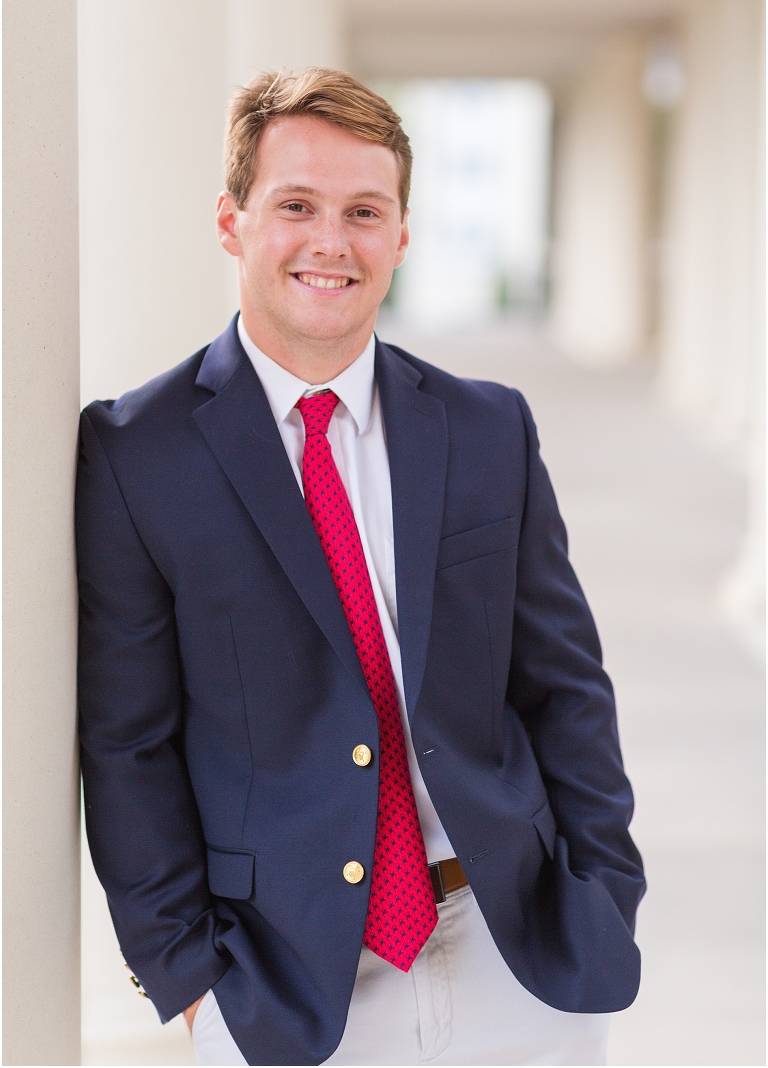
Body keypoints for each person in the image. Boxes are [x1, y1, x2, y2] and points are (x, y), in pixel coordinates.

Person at [77, 68, 645, 1067]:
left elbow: (564, 685)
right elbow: (129, 746)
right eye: (295, 205)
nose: (330, 241)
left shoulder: (487, 428)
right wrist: (185, 982)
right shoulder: (138, 453)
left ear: (402, 233)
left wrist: (604, 890)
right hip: (282, 984)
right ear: (232, 221)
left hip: (513, 949)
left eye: (364, 210)